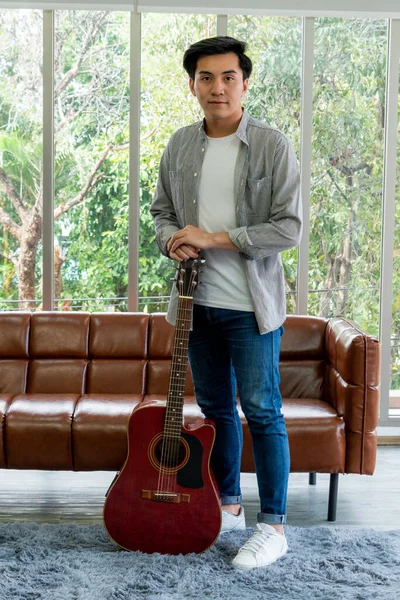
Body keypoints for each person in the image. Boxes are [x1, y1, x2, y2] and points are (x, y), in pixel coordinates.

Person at [150, 36, 302, 568]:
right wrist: (172, 238)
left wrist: (214, 238)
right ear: (192, 85)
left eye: (228, 77)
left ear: (245, 82)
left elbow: (289, 228)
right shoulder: (179, 146)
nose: (218, 88)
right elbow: (161, 211)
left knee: (263, 411)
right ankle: (229, 506)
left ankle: (275, 526)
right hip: (195, 305)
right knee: (216, 411)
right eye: (207, 78)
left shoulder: (272, 145)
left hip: (251, 307)